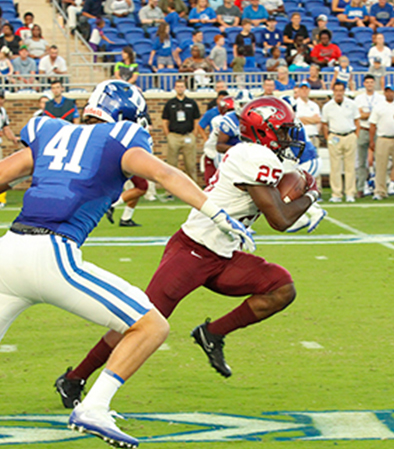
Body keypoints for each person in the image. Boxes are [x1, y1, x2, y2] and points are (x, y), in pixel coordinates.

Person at [0, 80, 253, 449]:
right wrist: (215, 210)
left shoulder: (51, 132)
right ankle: (94, 407)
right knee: (151, 326)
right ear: (127, 117)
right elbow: (165, 174)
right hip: (51, 255)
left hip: (8, 252)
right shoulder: (120, 139)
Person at [53, 97, 319, 410]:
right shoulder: (253, 155)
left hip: (223, 254)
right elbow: (280, 220)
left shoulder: (264, 156)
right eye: (284, 130)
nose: (290, 138)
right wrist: (311, 195)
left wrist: (299, 199)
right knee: (139, 322)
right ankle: (74, 378)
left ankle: (212, 333)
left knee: (280, 287)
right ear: (265, 131)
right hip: (192, 251)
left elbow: (283, 205)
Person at [322, 81, 360, 203]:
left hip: (349, 135)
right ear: (333, 91)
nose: (339, 93)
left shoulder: (352, 104)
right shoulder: (328, 106)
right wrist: (327, 137)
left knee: (350, 167)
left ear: (344, 91)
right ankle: (336, 193)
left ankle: (350, 193)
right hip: (334, 136)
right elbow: (324, 124)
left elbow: (357, 121)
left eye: (341, 90)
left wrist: (355, 136)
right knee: (335, 167)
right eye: (336, 90)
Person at [369, 83, 394, 200]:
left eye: (391, 91)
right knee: (381, 166)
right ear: (384, 93)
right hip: (383, 138)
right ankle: (380, 191)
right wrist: (371, 141)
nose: (389, 94)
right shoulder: (379, 106)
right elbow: (373, 124)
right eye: (387, 91)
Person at [162, 79, 201, 183]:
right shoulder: (170, 103)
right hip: (174, 136)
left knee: (190, 165)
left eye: (182, 86)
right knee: (171, 164)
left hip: (188, 136)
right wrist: (168, 135)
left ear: (185, 88)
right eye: (178, 86)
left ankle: (193, 189)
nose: (180, 88)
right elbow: (165, 121)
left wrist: (194, 134)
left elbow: (196, 120)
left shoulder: (191, 103)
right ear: (175, 88)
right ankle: (170, 190)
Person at [354, 75, 384, 197]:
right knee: (361, 161)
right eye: (367, 82)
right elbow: (359, 115)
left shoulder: (380, 98)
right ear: (364, 84)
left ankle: (378, 188)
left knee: (379, 161)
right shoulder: (359, 98)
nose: (370, 84)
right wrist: (372, 114)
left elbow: (379, 115)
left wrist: (367, 114)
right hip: (363, 129)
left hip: (376, 129)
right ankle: (360, 187)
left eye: (372, 82)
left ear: (375, 84)